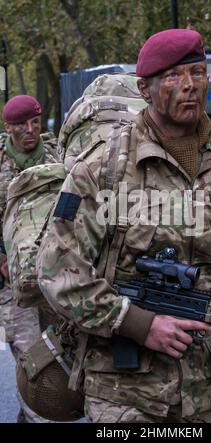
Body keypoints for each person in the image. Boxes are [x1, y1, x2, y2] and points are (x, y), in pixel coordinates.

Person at [37, 29, 211, 423]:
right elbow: (57, 270)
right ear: (145, 89)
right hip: (125, 396)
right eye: (172, 76)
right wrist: (137, 323)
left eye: (198, 72)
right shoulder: (101, 170)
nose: (189, 86)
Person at [0, 94, 59, 422]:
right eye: (21, 124)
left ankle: (34, 413)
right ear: (8, 127)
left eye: (34, 122)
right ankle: (34, 414)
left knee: (58, 348)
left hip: (54, 272)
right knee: (29, 351)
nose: (30, 129)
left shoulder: (56, 156)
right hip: (13, 281)